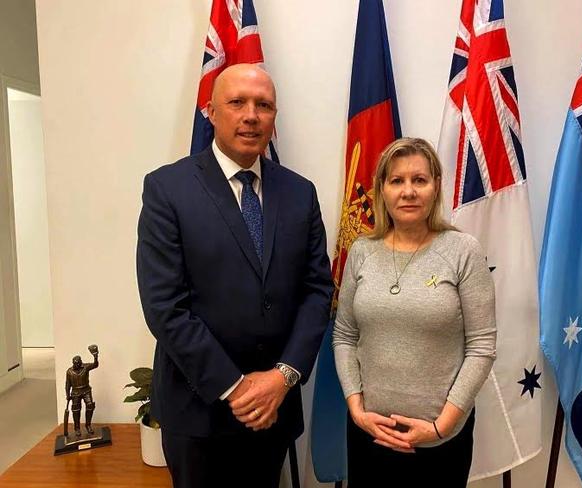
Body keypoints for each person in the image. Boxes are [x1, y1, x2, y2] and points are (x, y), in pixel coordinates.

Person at [136, 64, 333, 488]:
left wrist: (283, 376)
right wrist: (237, 388)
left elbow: (318, 291)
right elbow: (164, 306)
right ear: (210, 111)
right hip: (198, 412)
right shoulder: (168, 189)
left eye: (263, 105)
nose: (251, 115)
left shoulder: (300, 192)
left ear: (274, 117)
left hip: (274, 410)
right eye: (237, 102)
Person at [333, 137, 496, 487]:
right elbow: (344, 335)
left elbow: (482, 346)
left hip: (439, 440)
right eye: (397, 181)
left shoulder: (462, 250)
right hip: (369, 433)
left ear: (435, 186)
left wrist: (442, 425)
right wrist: (357, 409)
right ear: (382, 189)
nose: (408, 191)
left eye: (419, 180)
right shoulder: (362, 251)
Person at [65, 345, 99, 437]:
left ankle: (88, 425)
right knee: (76, 410)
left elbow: (95, 365)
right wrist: (67, 394)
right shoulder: (69, 372)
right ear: (73, 363)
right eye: (76, 363)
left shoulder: (85, 367)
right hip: (75, 392)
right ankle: (77, 428)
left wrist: (95, 356)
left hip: (86, 390)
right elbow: (68, 384)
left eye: (79, 363)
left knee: (90, 405)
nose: (78, 365)